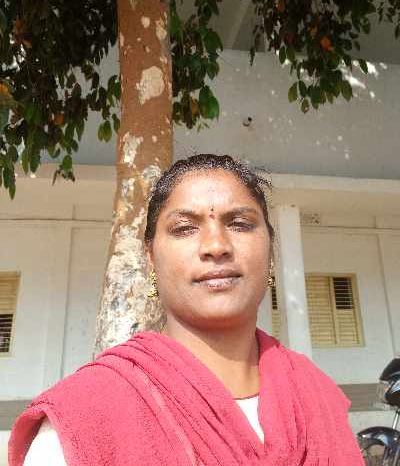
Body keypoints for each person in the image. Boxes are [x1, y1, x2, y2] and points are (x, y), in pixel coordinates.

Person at [9, 154, 364, 465]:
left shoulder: (315, 393)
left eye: (240, 224)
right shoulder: (84, 417)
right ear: (150, 258)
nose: (216, 245)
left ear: (270, 251)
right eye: (184, 229)